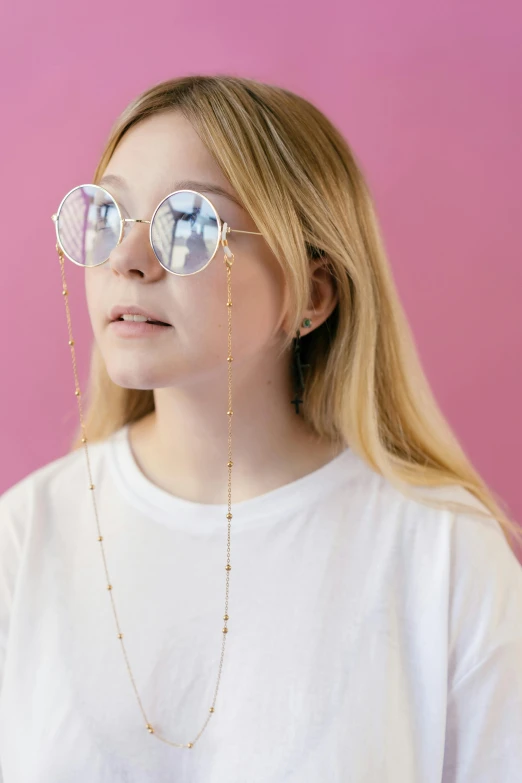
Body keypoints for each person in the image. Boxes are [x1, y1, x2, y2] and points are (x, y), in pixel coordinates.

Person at [0, 75, 521, 783]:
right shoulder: (26, 535)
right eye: (108, 216)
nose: (128, 260)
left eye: (188, 224)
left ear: (313, 293)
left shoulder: (443, 551)